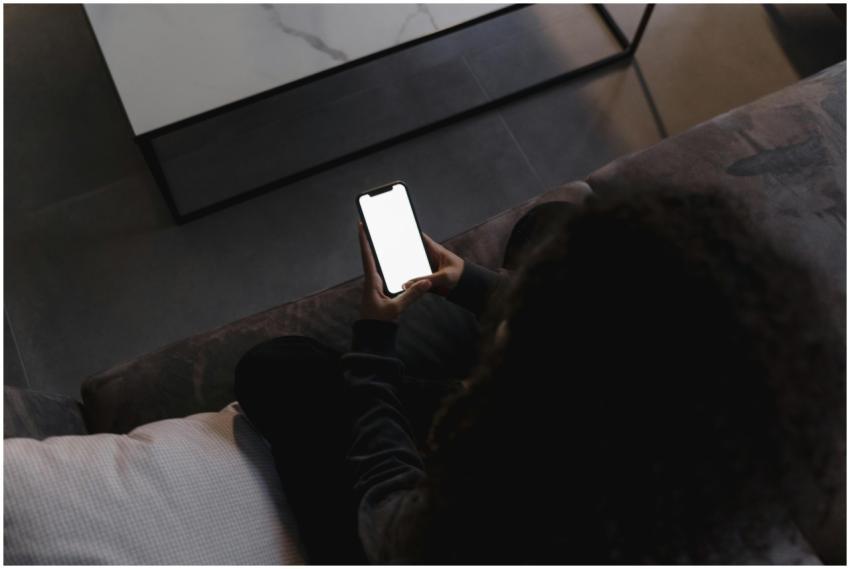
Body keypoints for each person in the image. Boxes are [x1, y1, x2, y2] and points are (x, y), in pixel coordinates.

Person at [235, 190, 844, 564]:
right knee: (550, 224)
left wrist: (374, 348)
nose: (505, 323)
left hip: (405, 539)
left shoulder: (504, 510)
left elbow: (389, 511)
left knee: (278, 371)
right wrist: (471, 283)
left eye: (516, 329)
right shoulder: (731, 446)